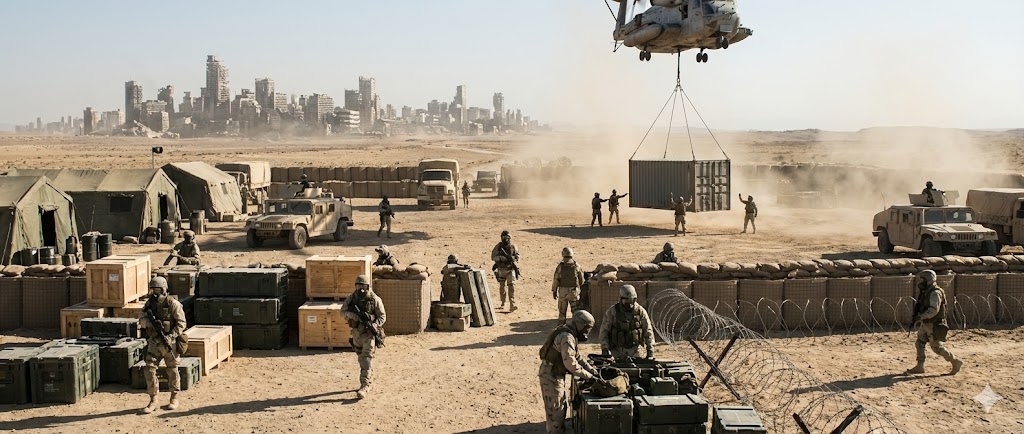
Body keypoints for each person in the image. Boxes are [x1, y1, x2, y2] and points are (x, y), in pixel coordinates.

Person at [538, 310, 605, 434]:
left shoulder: (571, 334)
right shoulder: (567, 337)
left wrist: (593, 370)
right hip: (550, 375)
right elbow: (571, 364)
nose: (586, 333)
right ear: (579, 325)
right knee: (556, 413)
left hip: (556, 374)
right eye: (586, 329)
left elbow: (578, 357)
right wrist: (589, 377)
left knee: (561, 406)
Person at [139, 276, 187, 413]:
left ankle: (174, 397)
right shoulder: (149, 304)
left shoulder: (173, 304)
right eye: (153, 289)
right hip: (154, 341)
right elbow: (142, 318)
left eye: (158, 290)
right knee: (149, 368)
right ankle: (153, 399)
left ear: (164, 289)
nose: (155, 293)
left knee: (172, 369)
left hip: (169, 342)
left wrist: (171, 336)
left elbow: (181, 324)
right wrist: (149, 324)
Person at [904, 270, 962, 375]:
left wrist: (921, 317)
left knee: (937, 348)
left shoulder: (935, 292)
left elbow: (934, 310)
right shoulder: (926, 291)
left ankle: (955, 361)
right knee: (920, 342)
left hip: (934, 324)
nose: (921, 282)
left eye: (923, 279)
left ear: (929, 280)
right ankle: (920, 366)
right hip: (927, 323)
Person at [342, 275, 387, 399]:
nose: (361, 289)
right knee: (361, 358)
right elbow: (343, 311)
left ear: (368, 286)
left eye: (363, 286)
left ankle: (365, 385)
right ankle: (369, 377)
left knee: (366, 358)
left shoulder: (375, 299)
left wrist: (374, 324)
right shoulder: (351, 299)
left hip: (369, 334)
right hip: (356, 334)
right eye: (358, 286)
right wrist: (352, 315)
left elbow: (382, 316)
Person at [599, 284, 655, 359]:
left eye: (632, 300)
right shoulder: (612, 311)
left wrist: (650, 351)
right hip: (617, 351)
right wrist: (605, 349)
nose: (630, 304)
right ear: (621, 299)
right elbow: (604, 331)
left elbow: (648, 331)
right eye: (627, 300)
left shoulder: (640, 311)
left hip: (635, 351)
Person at [551, 247, 585, 321]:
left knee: (562, 313)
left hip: (563, 292)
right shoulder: (576, 266)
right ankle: (576, 328)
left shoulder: (560, 266)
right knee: (576, 313)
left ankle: (561, 328)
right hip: (573, 292)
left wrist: (554, 291)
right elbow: (581, 280)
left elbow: (556, 280)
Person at [491, 230, 521, 311]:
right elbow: (493, 257)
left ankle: (512, 303)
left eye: (507, 237)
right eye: (504, 237)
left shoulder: (513, 246)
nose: (506, 239)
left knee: (511, 286)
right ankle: (503, 302)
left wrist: (514, 259)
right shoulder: (498, 247)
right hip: (501, 269)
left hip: (510, 269)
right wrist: (501, 258)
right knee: (502, 287)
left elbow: (517, 256)